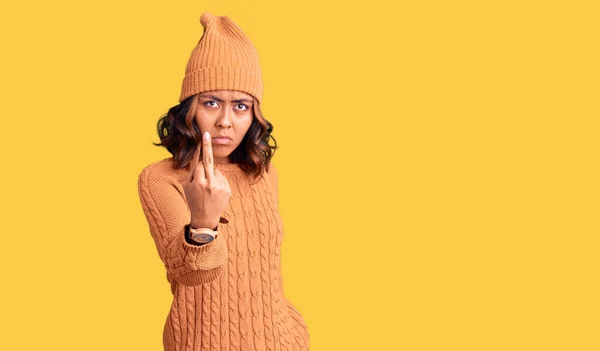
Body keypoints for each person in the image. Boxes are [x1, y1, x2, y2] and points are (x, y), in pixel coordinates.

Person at [137, 12, 310, 351]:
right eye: (211, 103)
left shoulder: (263, 174)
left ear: (254, 114)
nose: (225, 122)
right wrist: (203, 222)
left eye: (241, 106)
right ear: (189, 108)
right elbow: (190, 275)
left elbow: (267, 271)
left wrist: (293, 334)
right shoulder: (161, 179)